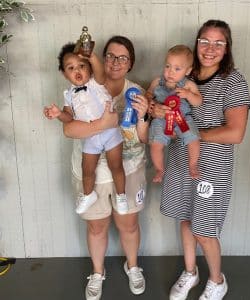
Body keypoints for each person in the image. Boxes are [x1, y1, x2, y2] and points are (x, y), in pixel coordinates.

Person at [153, 20, 250, 300]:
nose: (210, 49)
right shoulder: (183, 73)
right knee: (185, 220)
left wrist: (192, 134)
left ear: (227, 48)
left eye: (218, 43)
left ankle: (217, 281)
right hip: (180, 162)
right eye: (205, 41)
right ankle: (190, 272)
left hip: (212, 167)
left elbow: (235, 133)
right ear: (196, 44)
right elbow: (161, 98)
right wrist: (156, 109)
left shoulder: (233, 81)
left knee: (204, 230)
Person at [63, 36, 149, 300]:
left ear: (131, 63)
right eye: (110, 55)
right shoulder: (84, 86)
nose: (115, 62)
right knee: (96, 227)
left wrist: (145, 115)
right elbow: (69, 129)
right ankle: (97, 272)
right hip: (93, 173)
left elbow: (143, 138)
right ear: (100, 58)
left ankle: (132, 266)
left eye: (123, 58)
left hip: (129, 167)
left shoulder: (136, 91)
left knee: (129, 225)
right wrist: (103, 125)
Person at [43, 43, 129, 215]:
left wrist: (90, 55)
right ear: (64, 73)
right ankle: (88, 194)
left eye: (82, 66)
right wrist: (59, 113)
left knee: (116, 165)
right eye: (71, 68)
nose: (78, 70)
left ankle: (121, 195)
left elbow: (99, 70)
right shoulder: (68, 95)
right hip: (90, 137)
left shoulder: (96, 83)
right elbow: (69, 118)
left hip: (110, 133)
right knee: (87, 169)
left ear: (89, 68)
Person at [146, 45, 202, 183]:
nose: (170, 72)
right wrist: (149, 102)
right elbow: (148, 94)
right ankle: (159, 169)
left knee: (193, 139)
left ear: (188, 71)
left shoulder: (188, 85)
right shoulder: (157, 82)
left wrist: (188, 95)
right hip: (161, 119)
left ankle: (193, 164)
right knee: (155, 144)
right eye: (167, 66)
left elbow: (198, 101)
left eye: (177, 69)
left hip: (182, 118)